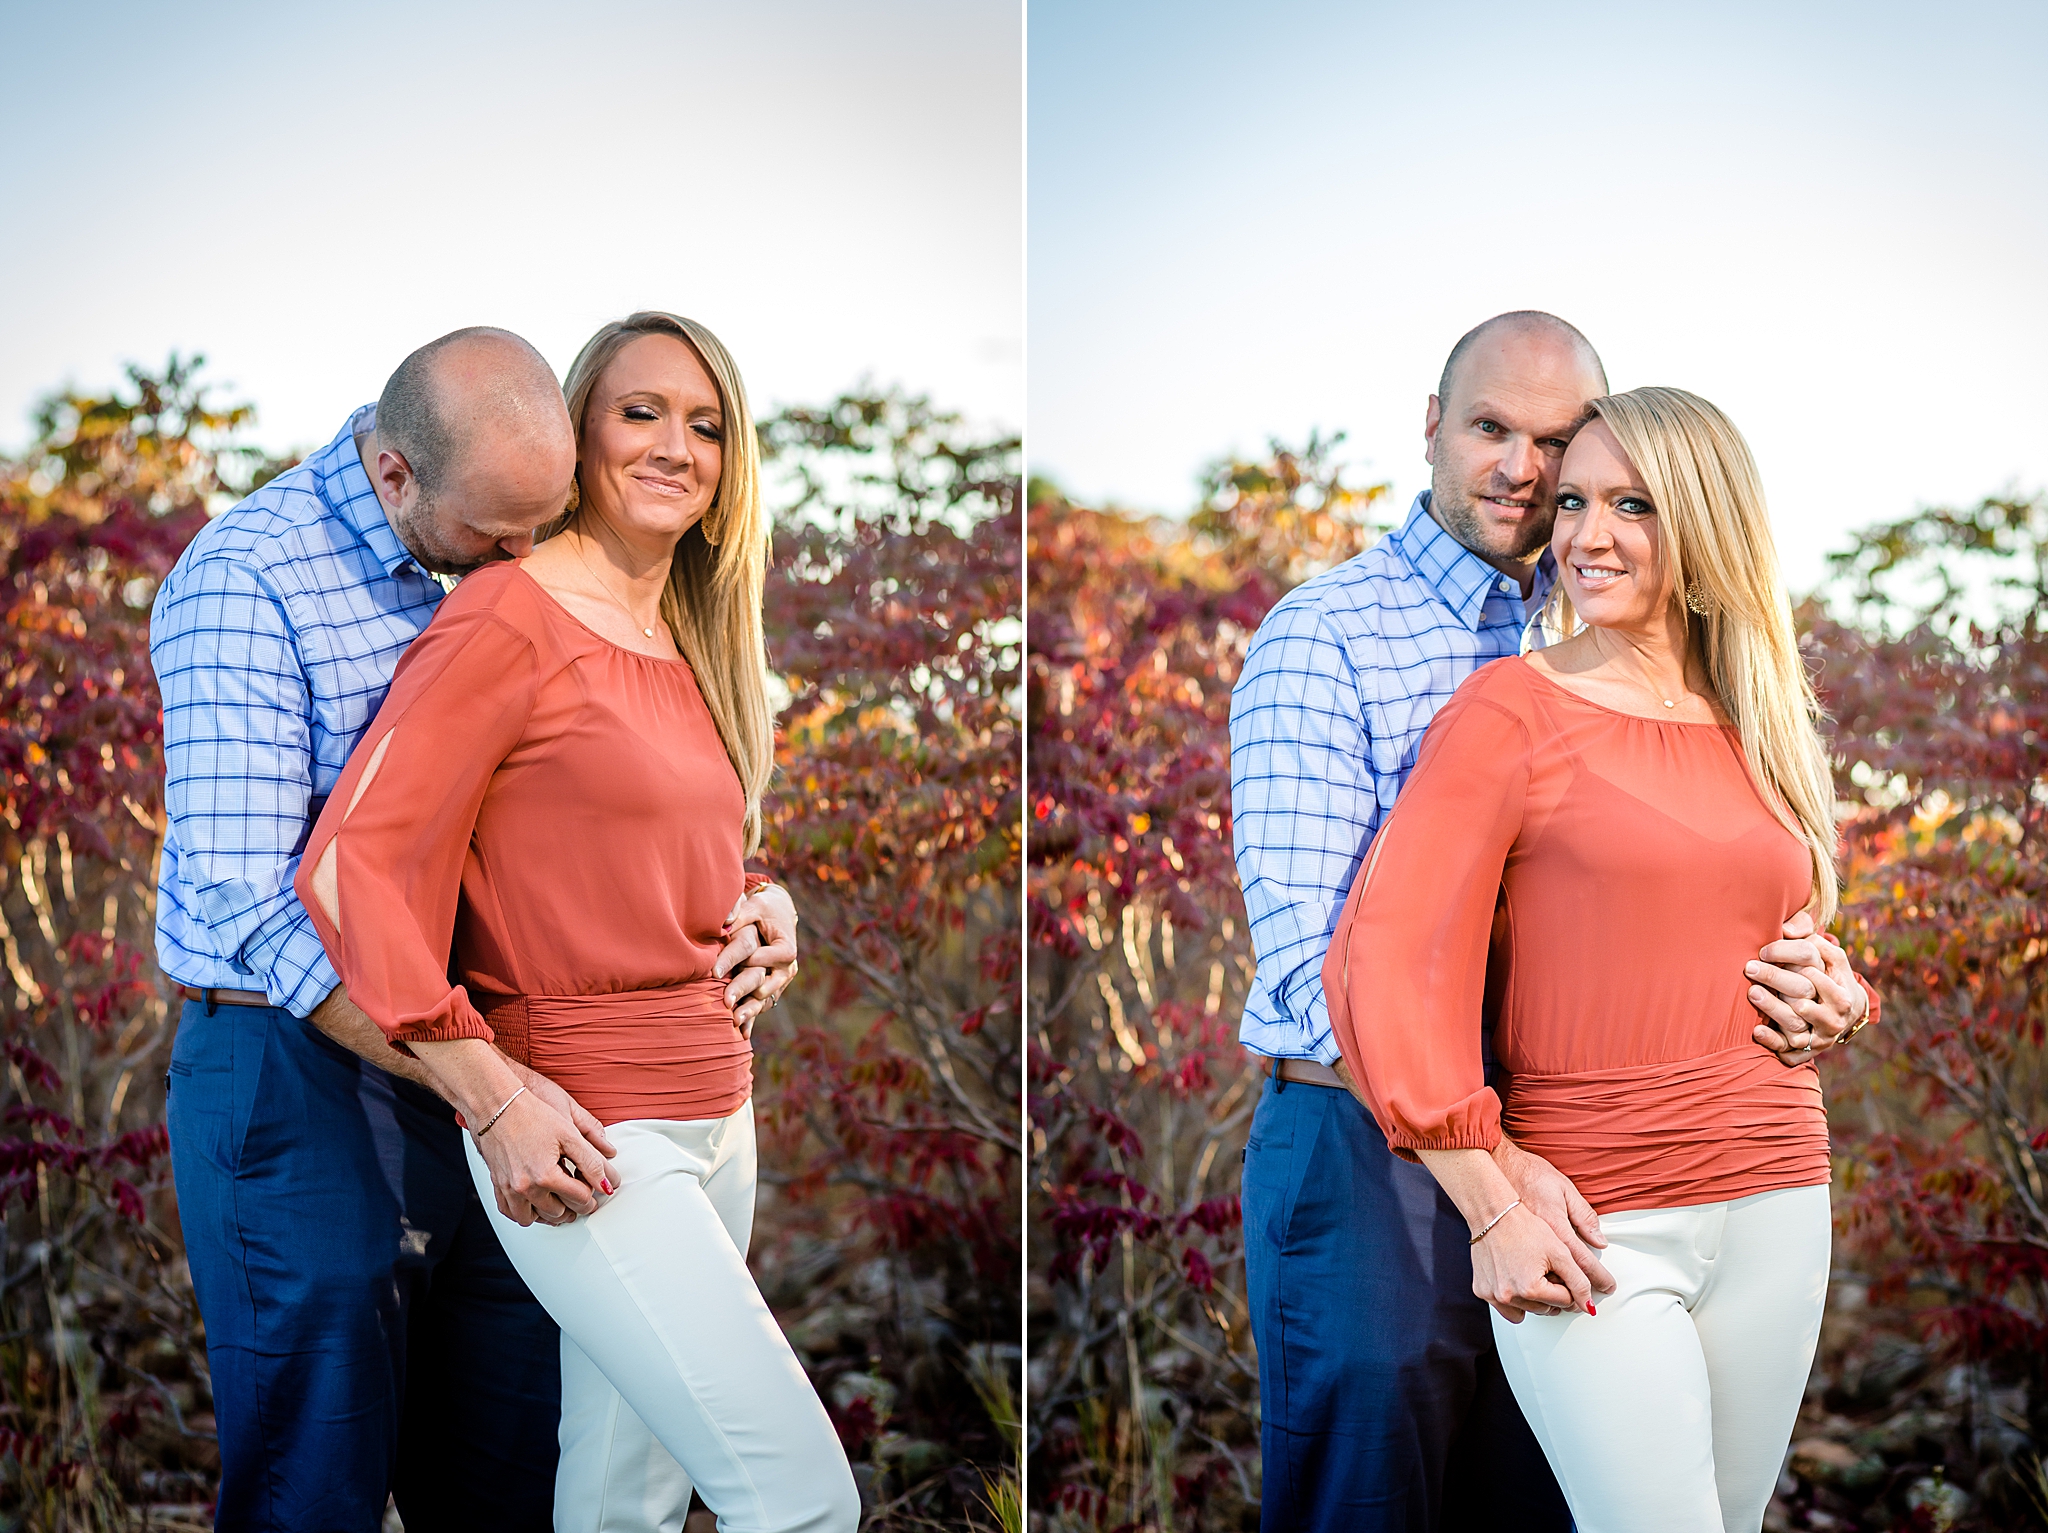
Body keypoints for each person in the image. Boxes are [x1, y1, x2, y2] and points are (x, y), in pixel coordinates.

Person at [1227, 314, 1875, 1532]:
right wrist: (1492, 1181)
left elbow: (1681, 891)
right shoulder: (1328, 638)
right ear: (1430, 425)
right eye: (1490, 429)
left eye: (1558, 448)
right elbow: (1327, 963)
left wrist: (1821, 983)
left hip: (1587, 1142)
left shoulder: (1601, 628)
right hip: (1370, 1141)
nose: (1529, 477)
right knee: (1369, 1494)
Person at [153, 326, 800, 1533]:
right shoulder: (247, 579)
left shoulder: (496, 551)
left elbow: (568, 795)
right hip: (296, 1063)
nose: (521, 558)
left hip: (485, 1057)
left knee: (506, 1469)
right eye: (497, 537)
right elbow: (253, 900)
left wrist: (757, 896)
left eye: (539, 523)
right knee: (317, 1476)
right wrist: (484, 1086)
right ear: (396, 476)